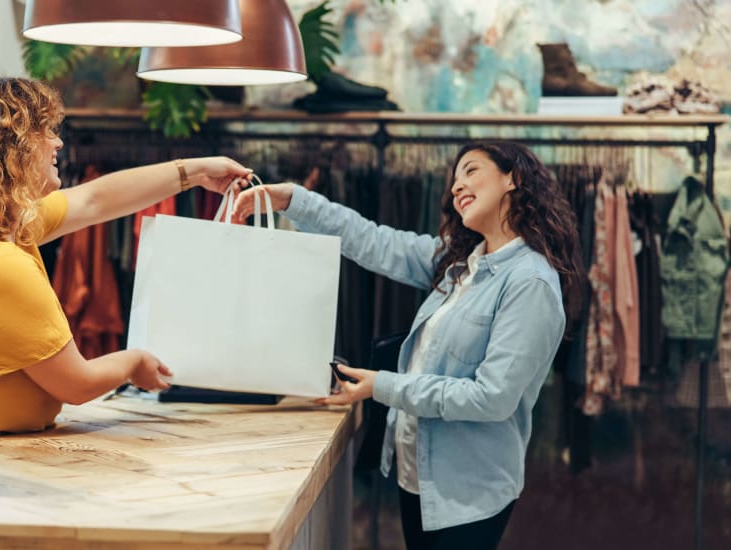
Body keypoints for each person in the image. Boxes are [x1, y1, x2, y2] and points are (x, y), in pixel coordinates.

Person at [0, 77, 251, 499]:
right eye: (44, 131)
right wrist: (134, 362)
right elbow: (76, 384)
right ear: (11, 149)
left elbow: (95, 199)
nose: (57, 144)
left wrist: (196, 171)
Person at [232, 141, 582, 550]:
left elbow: (493, 398)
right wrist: (293, 199)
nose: (457, 185)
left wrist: (382, 386)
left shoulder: (529, 282)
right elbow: (372, 240)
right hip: (417, 476)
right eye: (454, 179)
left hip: (467, 491)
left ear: (514, 178)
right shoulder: (461, 263)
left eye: (470, 171)